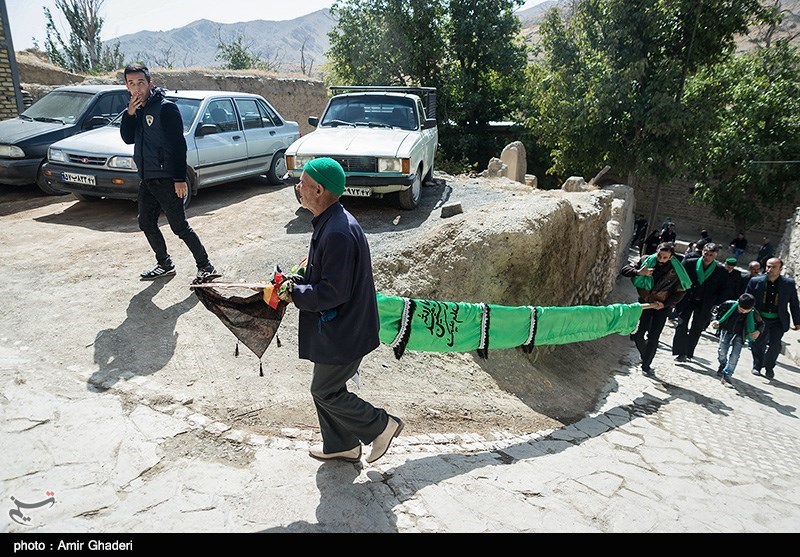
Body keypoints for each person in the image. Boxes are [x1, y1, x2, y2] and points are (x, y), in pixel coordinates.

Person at [280, 157, 403, 464]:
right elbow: (326, 273)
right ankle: (341, 445)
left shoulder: (337, 231)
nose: (298, 187)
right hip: (341, 327)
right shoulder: (332, 220)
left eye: (303, 183)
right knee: (327, 387)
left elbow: (333, 292)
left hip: (344, 329)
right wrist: (298, 278)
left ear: (318, 190)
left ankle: (381, 425)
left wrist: (294, 294)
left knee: (325, 390)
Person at [120, 64, 217, 281]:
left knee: (179, 227)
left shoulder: (166, 108)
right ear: (126, 86)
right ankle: (164, 264)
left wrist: (179, 178)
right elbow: (127, 138)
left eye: (140, 83)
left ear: (150, 84)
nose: (136, 88)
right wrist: (130, 113)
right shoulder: (134, 111)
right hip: (148, 178)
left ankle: (206, 266)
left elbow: (178, 145)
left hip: (167, 178)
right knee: (145, 222)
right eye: (131, 83)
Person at [621, 242, 690, 376]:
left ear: (670, 257)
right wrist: (638, 272)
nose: (661, 260)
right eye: (659, 256)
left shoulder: (676, 270)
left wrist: (665, 304)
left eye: (665, 257)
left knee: (654, 337)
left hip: (662, 307)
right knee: (638, 335)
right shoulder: (645, 261)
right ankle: (646, 356)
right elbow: (625, 270)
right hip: (645, 303)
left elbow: (681, 291)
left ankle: (646, 366)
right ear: (656, 252)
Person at [745, 257, 800, 380]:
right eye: (768, 266)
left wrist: (797, 322)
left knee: (775, 345)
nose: (770, 269)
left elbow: (794, 303)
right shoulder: (755, 281)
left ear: (780, 269)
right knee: (758, 344)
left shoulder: (788, 284)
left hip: (778, 320)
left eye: (774, 267)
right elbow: (746, 299)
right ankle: (757, 366)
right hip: (760, 319)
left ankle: (769, 367)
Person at [671, 243, 727, 362]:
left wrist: (715, 304)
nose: (707, 257)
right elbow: (678, 279)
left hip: (704, 303)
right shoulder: (689, 263)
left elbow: (723, 290)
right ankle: (680, 352)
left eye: (711, 255)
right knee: (681, 325)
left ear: (715, 255)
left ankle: (688, 352)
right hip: (686, 300)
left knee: (696, 328)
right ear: (702, 252)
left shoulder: (720, 270)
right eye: (706, 254)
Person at [710, 293, 764, 388]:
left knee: (735, 355)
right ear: (738, 302)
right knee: (722, 350)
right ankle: (723, 364)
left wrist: (758, 332)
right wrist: (715, 320)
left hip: (741, 335)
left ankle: (727, 375)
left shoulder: (753, 312)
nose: (743, 312)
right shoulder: (729, 304)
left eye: (746, 311)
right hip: (726, 331)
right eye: (741, 309)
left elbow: (761, 324)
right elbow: (716, 310)